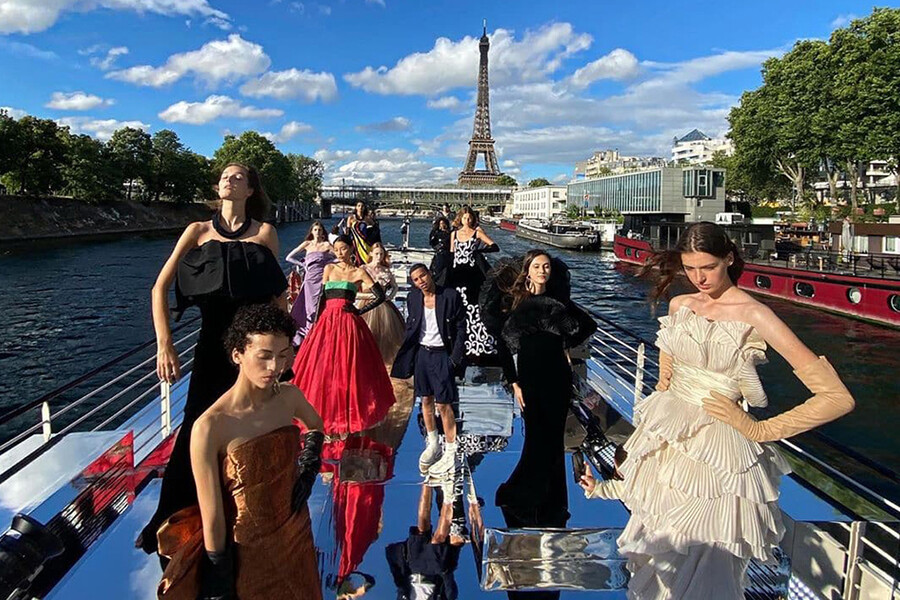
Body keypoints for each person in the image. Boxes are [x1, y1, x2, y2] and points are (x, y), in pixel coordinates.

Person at [579, 221, 855, 599]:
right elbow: (666, 381)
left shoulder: (756, 315)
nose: (699, 278)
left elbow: (837, 397)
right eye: (689, 268)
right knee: (659, 552)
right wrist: (613, 477)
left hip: (720, 454)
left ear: (729, 259)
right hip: (670, 441)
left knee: (708, 566)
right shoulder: (680, 305)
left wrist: (759, 430)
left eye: (708, 267)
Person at [138, 163, 288, 556]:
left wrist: (281, 351)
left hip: (253, 347)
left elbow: (278, 296)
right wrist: (164, 344)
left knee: (251, 427)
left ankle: (247, 511)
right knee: (196, 426)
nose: (228, 180)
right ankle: (178, 513)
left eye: (238, 177)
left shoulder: (265, 233)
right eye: (224, 176)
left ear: (250, 189)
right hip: (210, 345)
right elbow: (159, 287)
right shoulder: (197, 231)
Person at [157, 304, 324, 599]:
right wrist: (220, 575)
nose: (275, 367)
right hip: (249, 550)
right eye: (264, 356)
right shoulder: (210, 426)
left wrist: (309, 469)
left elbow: (316, 425)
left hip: (296, 531)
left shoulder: (289, 397)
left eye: (283, 355)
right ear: (237, 354)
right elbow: (212, 516)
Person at [481, 250, 596, 529]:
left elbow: (587, 325)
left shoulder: (559, 302)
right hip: (530, 375)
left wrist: (565, 344)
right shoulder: (516, 303)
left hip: (558, 373)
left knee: (554, 438)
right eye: (536, 266)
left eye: (546, 266)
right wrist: (514, 382)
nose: (542, 271)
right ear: (528, 271)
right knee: (536, 437)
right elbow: (503, 346)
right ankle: (521, 494)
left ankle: (554, 501)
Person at [291, 235, 396, 435]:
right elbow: (321, 298)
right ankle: (320, 414)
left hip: (348, 322)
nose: (339, 253)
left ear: (351, 249)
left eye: (343, 249)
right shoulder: (329, 269)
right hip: (327, 322)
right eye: (336, 249)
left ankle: (346, 416)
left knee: (348, 367)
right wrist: (315, 323)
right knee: (322, 367)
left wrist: (359, 311)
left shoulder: (359, 272)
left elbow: (380, 296)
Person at [391, 264, 466, 477]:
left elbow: (461, 327)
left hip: (442, 354)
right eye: (416, 279)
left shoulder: (449, 296)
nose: (421, 281)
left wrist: (455, 358)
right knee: (425, 399)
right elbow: (412, 325)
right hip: (422, 354)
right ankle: (433, 443)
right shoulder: (414, 298)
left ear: (430, 274)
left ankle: (451, 450)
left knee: (444, 404)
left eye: (422, 276)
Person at [448, 206, 500, 365]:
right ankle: (458, 343)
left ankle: (477, 343)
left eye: (470, 218)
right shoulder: (454, 234)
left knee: (473, 306)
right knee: (458, 306)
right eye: (465, 218)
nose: (467, 220)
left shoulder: (477, 233)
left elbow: (494, 246)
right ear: (460, 218)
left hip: (471, 275)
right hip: (457, 274)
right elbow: (452, 253)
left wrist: (478, 252)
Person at [286, 220, 334, 346]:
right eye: (315, 230)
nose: (317, 232)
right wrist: (303, 264)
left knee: (320, 305)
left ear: (323, 232)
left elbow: (339, 258)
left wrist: (329, 265)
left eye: (320, 230)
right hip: (309, 280)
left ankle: (319, 331)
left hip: (321, 279)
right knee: (309, 307)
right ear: (312, 232)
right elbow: (289, 257)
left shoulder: (327, 245)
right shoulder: (307, 244)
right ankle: (309, 333)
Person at [358, 242, 405, 364]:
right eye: (377, 254)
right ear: (371, 254)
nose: (379, 256)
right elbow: (355, 291)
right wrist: (368, 296)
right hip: (366, 305)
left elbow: (395, 286)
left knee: (387, 334)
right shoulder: (363, 269)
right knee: (367, 332)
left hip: (384, 306)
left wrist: (390, 296)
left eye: (381, 254)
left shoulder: (386, 270)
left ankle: (384, 361)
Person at [347, 201, 374, 265]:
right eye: (359, 206)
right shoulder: (351, 218)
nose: (360, 207)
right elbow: (348, 231)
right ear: (356, 207)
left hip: (364, 242)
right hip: (355, 242)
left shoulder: (367, 218)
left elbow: (374, 227)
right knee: (355, 258)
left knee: (366, 258)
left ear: (364, 208)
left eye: (362, 206)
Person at [429, 217, 452, 287]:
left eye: (444, 223)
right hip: (440, 253)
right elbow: (432, 242)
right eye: (441, 223)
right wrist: (437, 247)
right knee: (438, 270)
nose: (442, 225)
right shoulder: (436, 233)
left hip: (448, 254)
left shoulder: (450, 233)